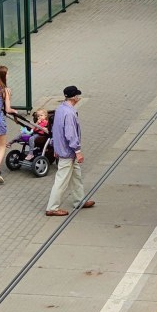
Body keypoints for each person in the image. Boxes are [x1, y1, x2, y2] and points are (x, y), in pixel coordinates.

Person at [45, 86, 95, 217]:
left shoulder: (60, 109)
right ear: (74, 98)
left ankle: (79, 200)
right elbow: (70, 134)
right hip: (68, 152)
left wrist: (56, 147)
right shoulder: (69, 113)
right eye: (78, 95)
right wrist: (77, 151)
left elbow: (55, 130)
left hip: (62, 149)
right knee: (61, 179)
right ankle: (52, 207)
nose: (79, 97)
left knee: (76, 176)